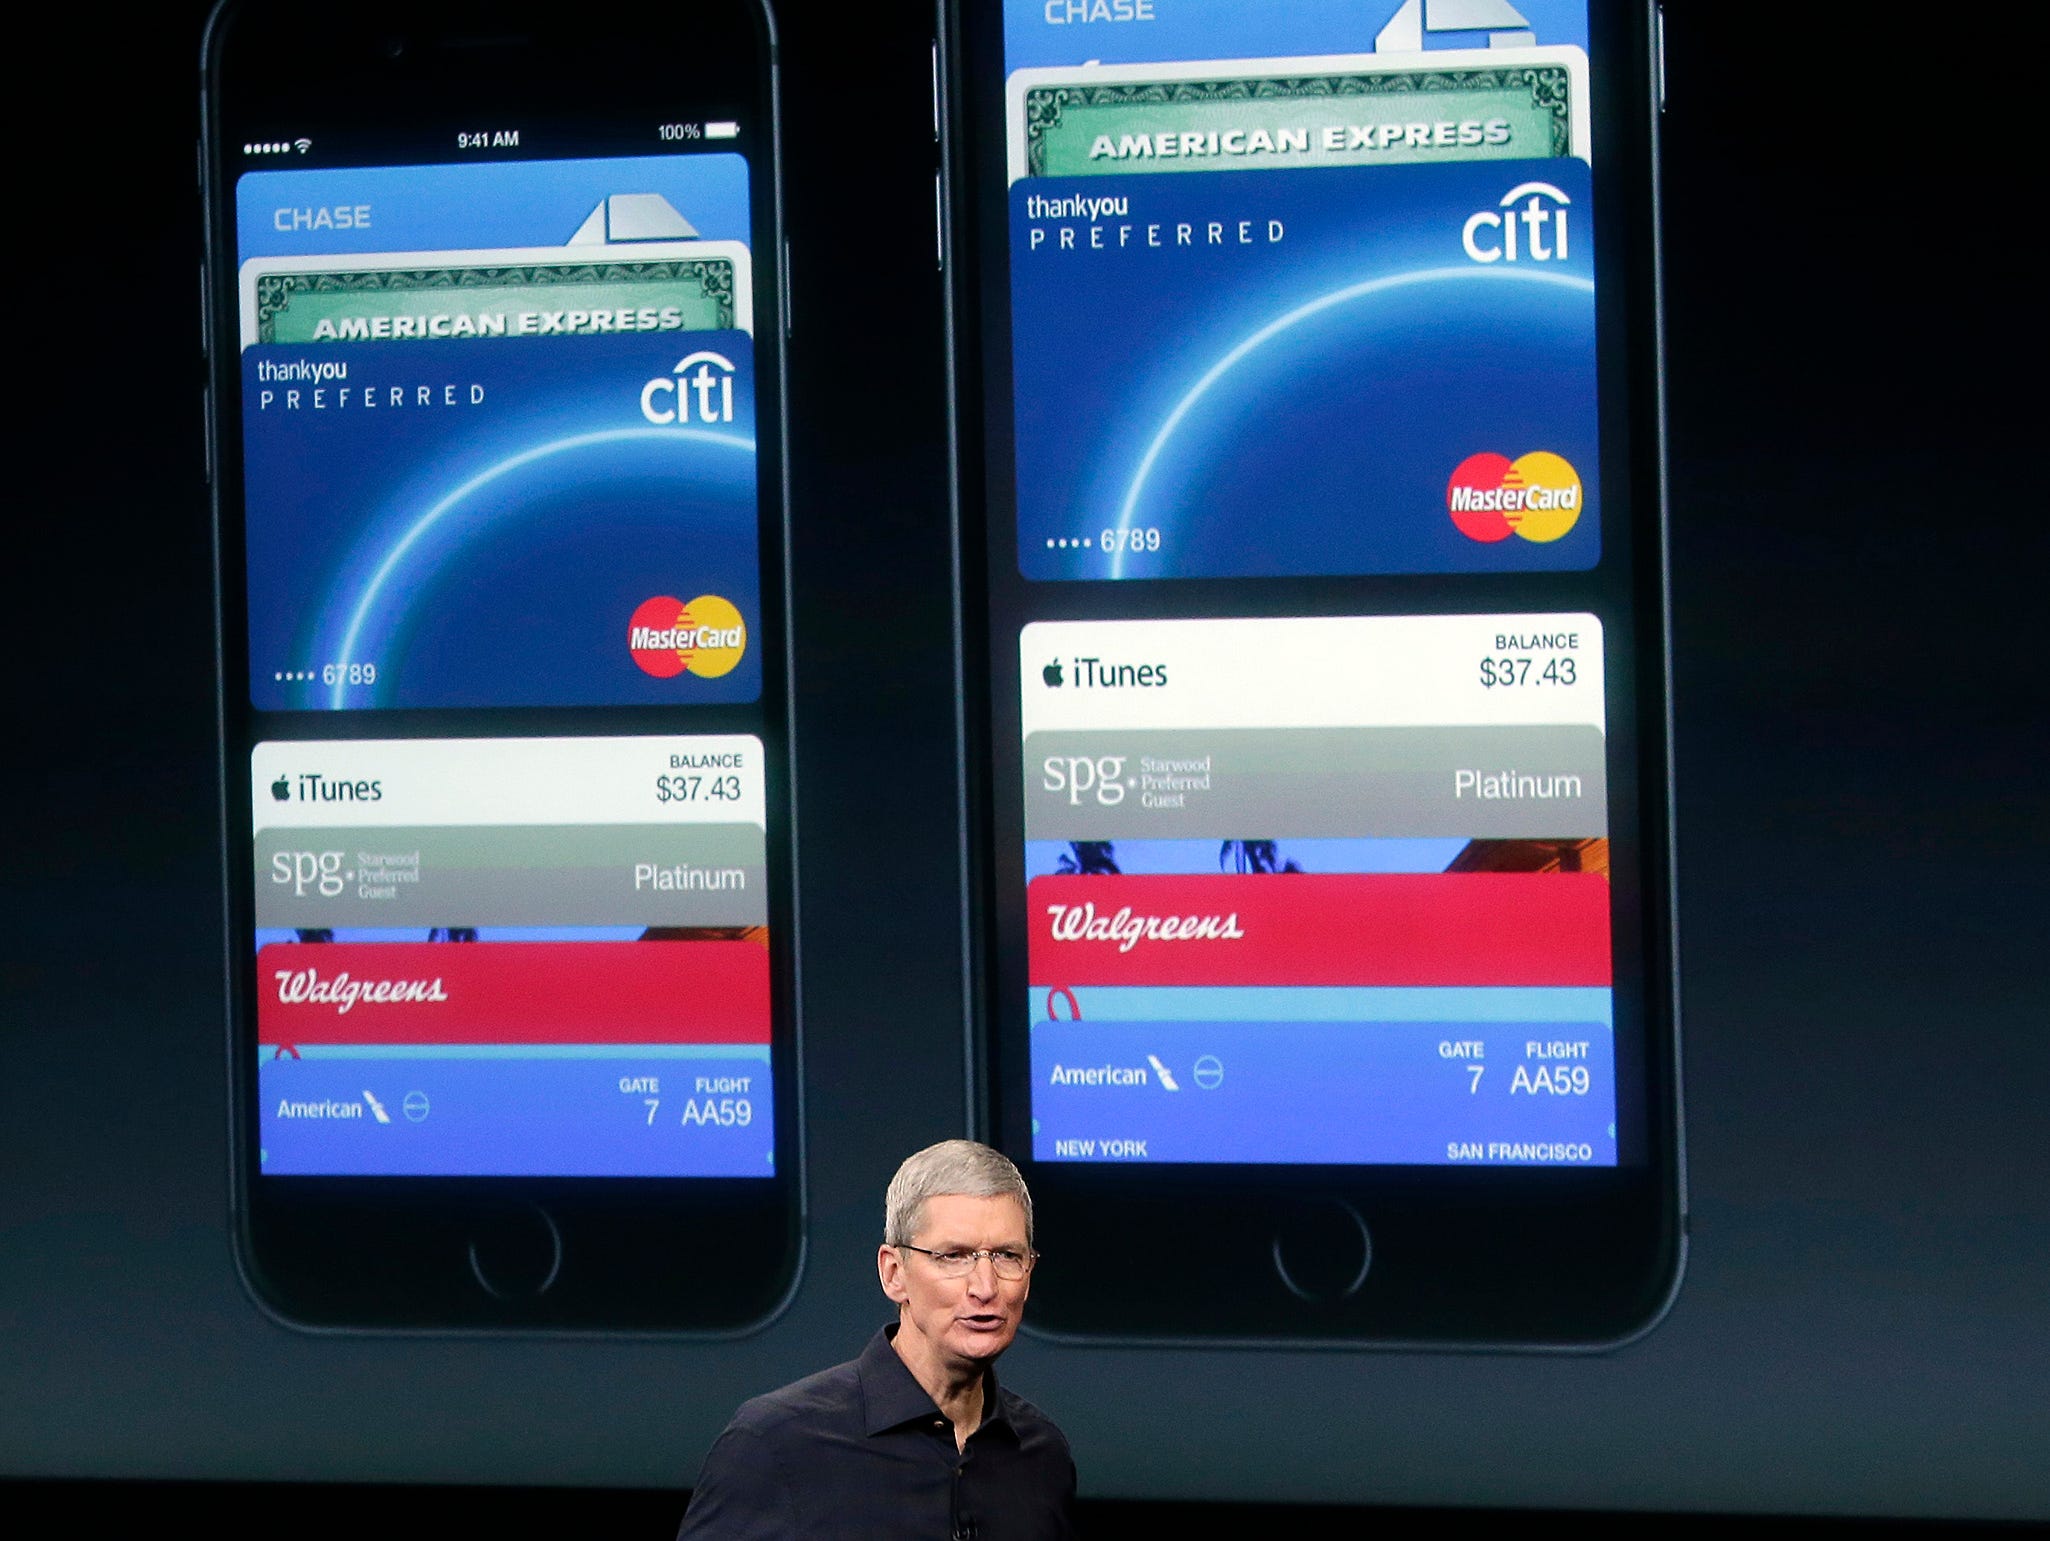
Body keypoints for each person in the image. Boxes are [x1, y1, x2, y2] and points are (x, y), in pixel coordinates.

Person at [678, 1140, 1077, 1540]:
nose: (984, 1287)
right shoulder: (776, 1445)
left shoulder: (1042, 1455)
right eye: (954, 1256)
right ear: (893, 1273)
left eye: (1008, 1255)